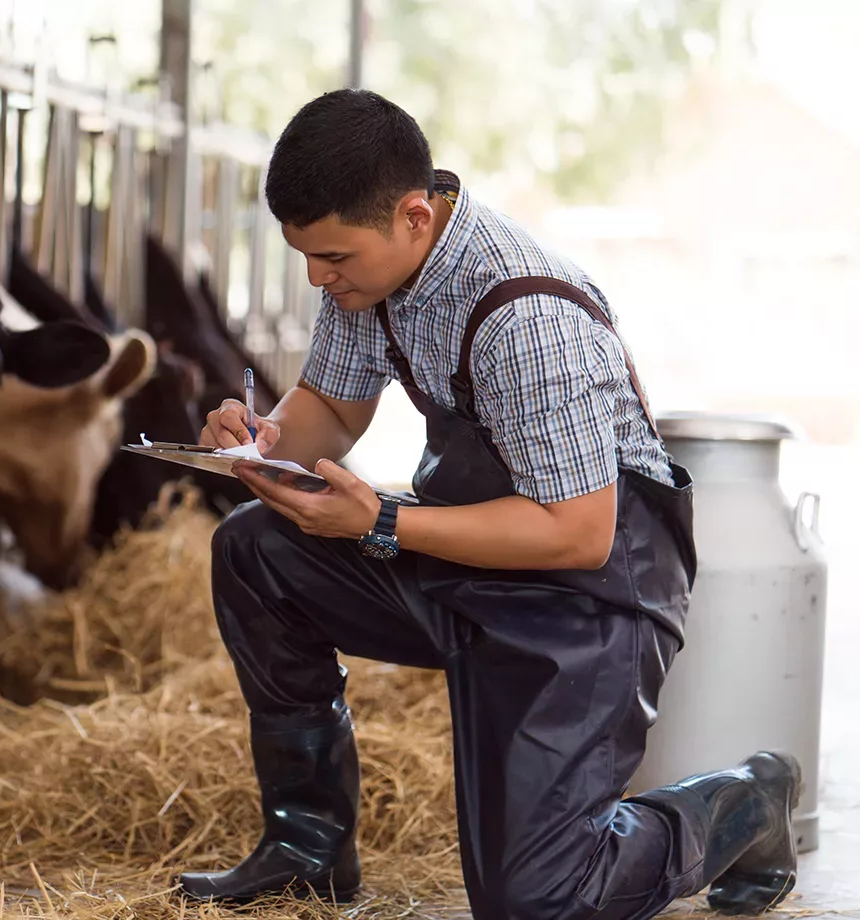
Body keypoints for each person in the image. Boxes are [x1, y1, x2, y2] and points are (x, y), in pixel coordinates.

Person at [179, 88, 801, 920]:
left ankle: (744, 804)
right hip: (466, 560)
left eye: (332, 258)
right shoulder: (374, 279)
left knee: (537, 903)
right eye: (305, 255)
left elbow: (579, 534)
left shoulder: (526, 314)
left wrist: (382, 522)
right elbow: (330, 408)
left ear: (413, 218)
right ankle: (308, 851)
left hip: (590, 602)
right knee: (257, 548)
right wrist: (261, 442)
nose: (317, 278)